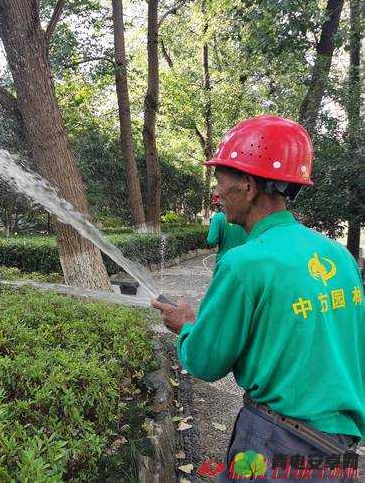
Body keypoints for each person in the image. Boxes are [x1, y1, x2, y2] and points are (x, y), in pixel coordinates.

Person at [152, 115, 364, 481]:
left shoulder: (243, 263)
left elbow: (205, 361)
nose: (217, 194)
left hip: (276, 444)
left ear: (248, 186)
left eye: (221, 181)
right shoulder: (339, 256)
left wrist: (187, 326)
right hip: (337, 452)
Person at [206, 194, 248, 263]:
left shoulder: (218, 218)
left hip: (224, 261)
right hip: (244, 261)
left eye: (217, 206)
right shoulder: (245, 217)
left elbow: (211, 240)